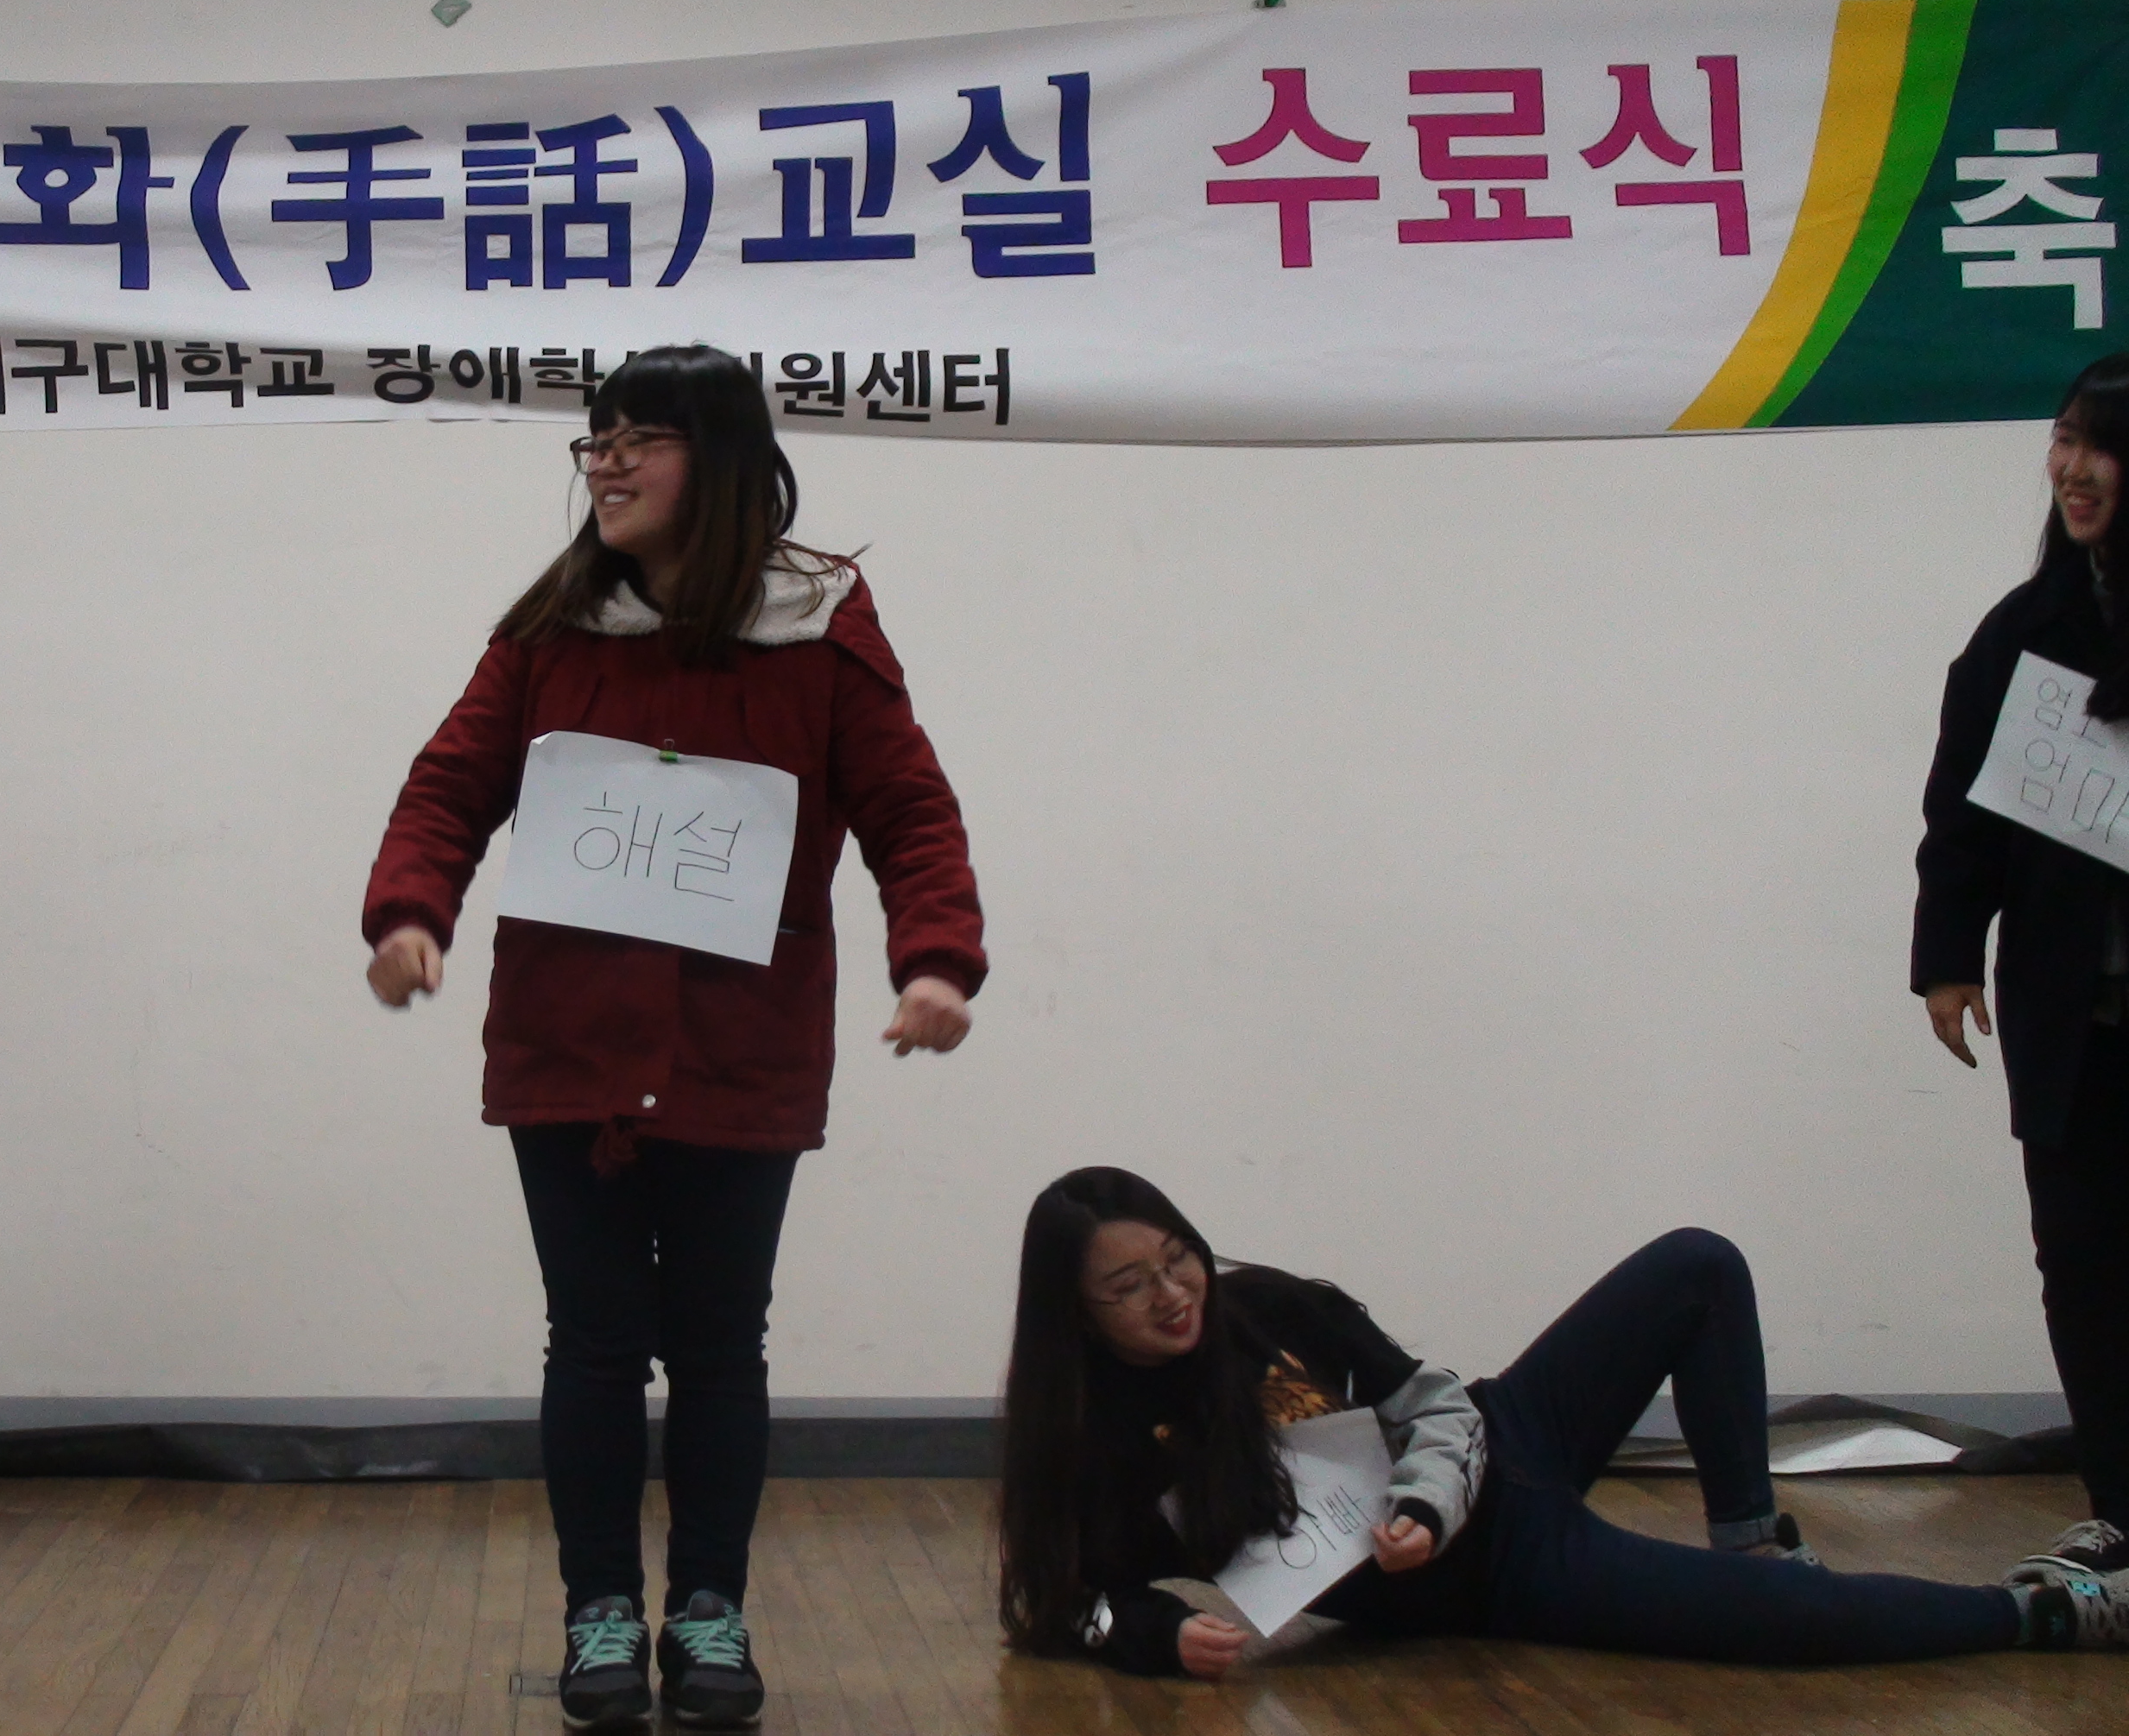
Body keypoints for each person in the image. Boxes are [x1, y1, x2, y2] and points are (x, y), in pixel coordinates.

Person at [361, 345, 985, 1731]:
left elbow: (911, 812)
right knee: (591, 1343)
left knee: (717, 1348)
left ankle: (709, 1609)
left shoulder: (823, 627)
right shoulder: (553, 626)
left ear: (726, 457)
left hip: (739, 1052)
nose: (608, 462)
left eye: (641, 437)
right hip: (568, 1049)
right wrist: (409, 912)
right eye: (596, 439)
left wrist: (938, 959)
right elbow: (448, 788)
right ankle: (598, 1611)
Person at [997, 1165, 2127, 1677]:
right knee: (1795, 1627)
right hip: (1504, 1570)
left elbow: (1434, 1403)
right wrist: (1152, 1637)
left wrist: (1425, 1500)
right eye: (1129, 1287)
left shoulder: (1268, 1307)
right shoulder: (1104, 1448)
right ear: (1076, 1318)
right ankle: (2048, 1612)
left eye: (1177, 1257)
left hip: (1507, 1439)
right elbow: (1063, 1601)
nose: (1173, 1294)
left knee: (1697, 1264)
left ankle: (1752, 1541)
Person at [1915, 351, 2129, 1594]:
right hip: (2076, 1018)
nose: (2072, 469)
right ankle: (2119, 1510)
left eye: (2101, 446)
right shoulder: (2025, 630)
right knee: (2085, 1263)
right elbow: (1962, 816)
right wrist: (1947, 959)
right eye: (2062, 440)